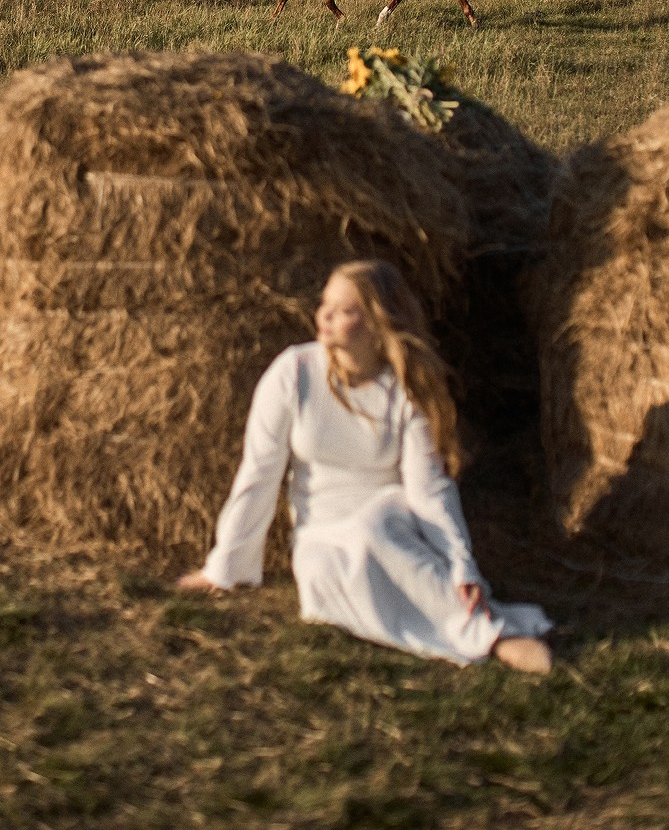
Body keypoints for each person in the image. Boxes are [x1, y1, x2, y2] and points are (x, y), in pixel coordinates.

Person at [177, 258, 553, 672]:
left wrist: (463, 565)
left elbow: (429, 491)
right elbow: (258, 473)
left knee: (371, 534)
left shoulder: (406, 391)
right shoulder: (293, 373)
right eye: (325, 304)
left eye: (343, 310)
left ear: (376, 323)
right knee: (320, 583)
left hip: (389, 519)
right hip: (320, 531)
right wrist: (224, 568)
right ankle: (464, 629)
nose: (325, 316)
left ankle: (491, 634)